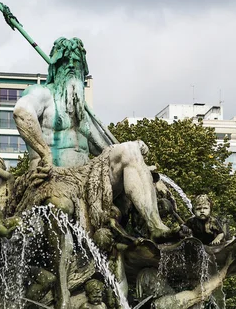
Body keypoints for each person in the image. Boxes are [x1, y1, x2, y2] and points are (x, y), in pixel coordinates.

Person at [13, 37, 177, 244]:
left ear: (84, 72)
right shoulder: (42, 94)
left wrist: (149, 173)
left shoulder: (82, 112)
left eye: (77, 62)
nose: (71, 66)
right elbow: (21, 112)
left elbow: (111, 150)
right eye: (65, 62)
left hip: (86, 180)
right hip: (52, 177)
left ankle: (156, 226)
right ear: (55, 68)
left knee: (129, 149)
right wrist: (44, 153)